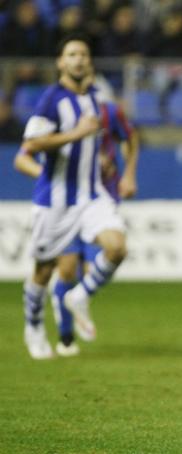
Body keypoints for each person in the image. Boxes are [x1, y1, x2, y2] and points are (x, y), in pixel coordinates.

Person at [17, 33, 130, 359]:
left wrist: (102, 161)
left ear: (90, 61)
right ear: (60, 62)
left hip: (91, 196)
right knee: (43, 271)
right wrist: (76, 134)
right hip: (55, 201)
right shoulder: (51, 99)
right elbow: (33, 143)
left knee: (117, 246)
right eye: (71, 54)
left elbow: (95, 142)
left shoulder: (95, 98)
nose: (78, 59)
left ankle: (80, 296)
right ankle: (34, 326)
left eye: (83, 54)